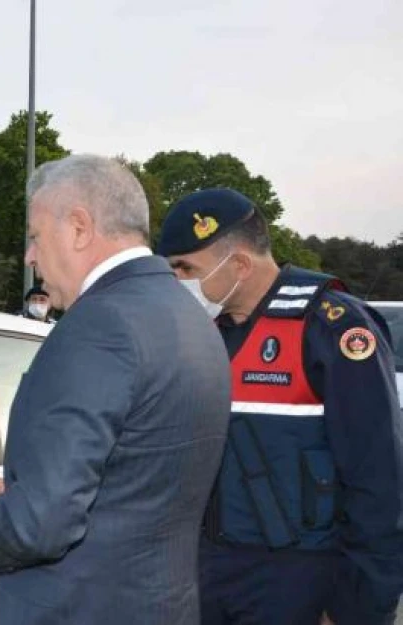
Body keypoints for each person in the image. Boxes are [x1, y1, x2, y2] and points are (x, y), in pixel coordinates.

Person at [0, 154, 230, 625]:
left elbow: (37, 526)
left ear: (80, 228)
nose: (29, 256)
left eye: (35, 237)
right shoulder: (191, 318)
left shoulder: (97, 326)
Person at [157, 188, 403, 625]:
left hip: (298, 578)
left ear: (240, 264)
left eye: (186, 268)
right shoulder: (200, 333)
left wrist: (358, 606)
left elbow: (379, 479)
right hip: (204, 574)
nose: (178, 282)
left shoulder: (331, 328)